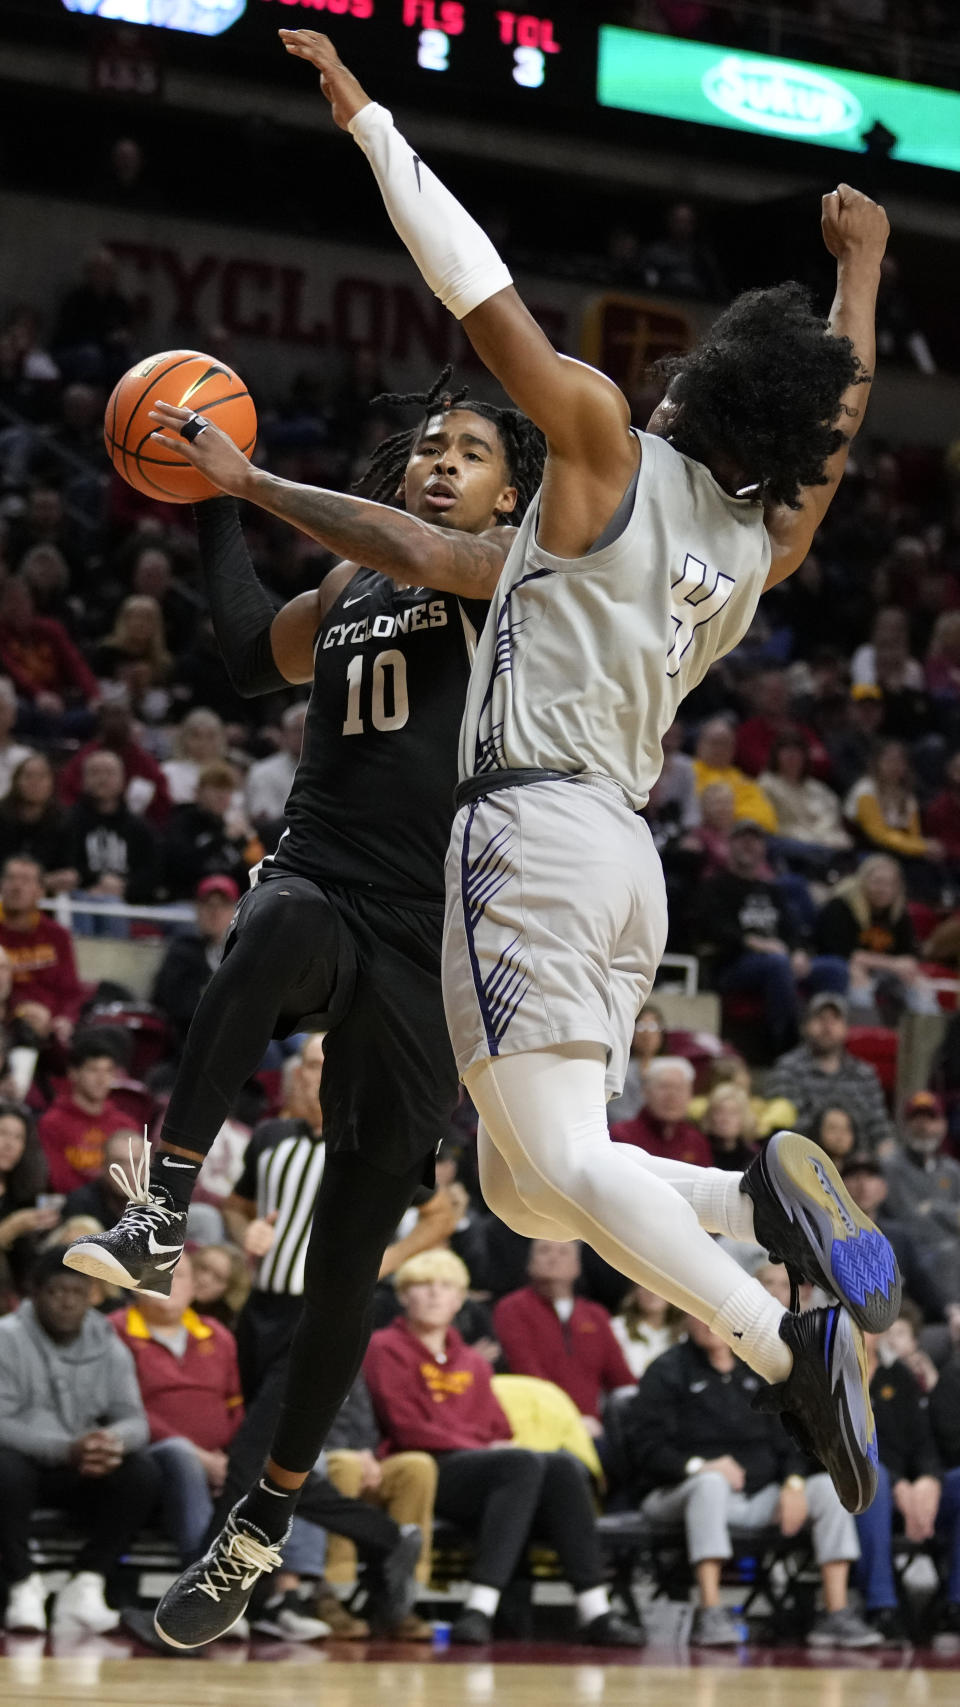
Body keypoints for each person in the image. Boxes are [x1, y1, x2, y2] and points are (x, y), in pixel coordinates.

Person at [273, 29, 899, 1539]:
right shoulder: (763, 546)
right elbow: (842, 420)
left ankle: (779, 1331)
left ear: (695, 390)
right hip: (620, 854)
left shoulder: (606, 448)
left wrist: (374, 128)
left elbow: (474, 290)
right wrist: (863, 279)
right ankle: (760, 1201)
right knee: (531, 1188)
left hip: (525, 826)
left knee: (547, 1161)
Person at [65, 361, 547, 1648]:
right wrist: (205, 501)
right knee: (268, 914)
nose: (443, 462)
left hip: (430, 941)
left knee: (347, 1259)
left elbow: (409, 540)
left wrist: (248, 475)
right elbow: (243, 656)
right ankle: (165, 1202)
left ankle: (265, 1519)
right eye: (429, 446)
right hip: (327, 883)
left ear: (511, 491)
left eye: (471, 450)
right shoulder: (347, 582)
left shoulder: (513, 569)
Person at [364, 1249, 641, 1646]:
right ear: (404, 1296)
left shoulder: (472, 1361)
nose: (434, 1295)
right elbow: (407, 1428)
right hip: (423, 1469)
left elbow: (499, 1426)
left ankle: (595, 1609)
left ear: (460, 1299)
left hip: (479, 1471)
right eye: (422, 1286)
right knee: (519, 1462)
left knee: (561, 1465)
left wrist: (486, 1445)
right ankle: (480, 1606)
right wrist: (479, 1444)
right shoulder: (383, 1347)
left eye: (445, 1287)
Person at [623, 1312, 878, 1648]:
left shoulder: (758, 1369)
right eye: (698, 1315)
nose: (708, 1323)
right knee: (710, 1485)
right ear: (686, 1320)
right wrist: (701, 1467)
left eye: (713, 1315)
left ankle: (835, 1612)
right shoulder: (667, 1370)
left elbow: (794, 1437)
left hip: (758, 1495)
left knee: (828, 1493)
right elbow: (645, 1448)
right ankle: (709, 1611)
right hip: (675, 1493)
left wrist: (794, 1484)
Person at [0, 1249, 160, 1636]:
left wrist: (109, 1441)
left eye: (78, 1291)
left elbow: (135, 1420)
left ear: (91, 1294)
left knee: (142, 1472)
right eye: (57, 1291)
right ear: (34, 1293)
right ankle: (22, 1585)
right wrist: (64, 1449)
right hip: (27, 1466)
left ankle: (88, 1582)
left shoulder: (108, 1341)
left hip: (83, 1465)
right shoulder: (7, 1337)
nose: (68, 1301)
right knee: (4, 1467)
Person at [109, 1249, 246, 1564]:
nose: (168, 1283)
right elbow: (124, 1410)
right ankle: (201, 1572)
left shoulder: (219, 1335)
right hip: (151, 1455)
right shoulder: (114, 1330)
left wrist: (231, 1458)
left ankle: (289, 1590)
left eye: (179, 1275)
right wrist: (199, 1457)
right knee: (181, 1454)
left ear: (194, 1287)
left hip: (220, 1459)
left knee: (290, 1462)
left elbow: (236, 1407)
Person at [855, 1327, 960, 1643]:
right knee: (873, 1476)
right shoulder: (824, 1380)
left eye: (863, 1323)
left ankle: (956, 1605)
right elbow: (845, 1447)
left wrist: (929, 1480)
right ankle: (881, 1605)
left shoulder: (898, 1376)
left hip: (912, 1495)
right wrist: (900, 1484)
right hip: (861, 1493)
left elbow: (924, 1442)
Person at [493, 1240, 634, 1438]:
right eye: (544, 1250)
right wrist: (571, 1419)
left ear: (577, 1265)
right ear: (530, 1263)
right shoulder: (512, 1308)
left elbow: (621, 1379)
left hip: (593, 1428)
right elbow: (527, 1372)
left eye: (563, 1252)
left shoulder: (596, 1315)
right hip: (537, 1423)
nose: (553, 1257)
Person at [765, 992, 897, 1154]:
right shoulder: (788, 1069)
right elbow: (783, 1129)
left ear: (846, 1028)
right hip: (804, 1161)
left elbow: (879, 1127)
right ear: (805, 1026)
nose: (827, 1026)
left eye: (835, 1019)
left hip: (859, 1167)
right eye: (820, 1018)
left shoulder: (864, 1074)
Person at [814, 855, 936, 1021]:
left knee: (920, 985)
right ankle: (866, 1040)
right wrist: (893, 964)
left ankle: (926, 1043)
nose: (883, 889)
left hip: (883, 973)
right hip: (840, 970)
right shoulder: (840, 907)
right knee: (858, 981)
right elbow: (845, 955)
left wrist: (904, 967)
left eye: (890, 884)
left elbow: (908, 956)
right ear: (863, 881)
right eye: (877, 882)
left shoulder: (898, 914)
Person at [0, 855, 86, 1047]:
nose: (17, 887)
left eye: (25, 881)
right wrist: (19, 1011)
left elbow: (71, 991)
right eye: (11, 878)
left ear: (40, 891)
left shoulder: (57, 936)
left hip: (48, 1029)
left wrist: (64, 1019)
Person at [37, 1028, 131, 1195]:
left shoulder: (125, 1124)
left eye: (108, 1071)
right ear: (73, 1073)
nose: (101, 1079)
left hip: (119, 1208)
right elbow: (58, 1180)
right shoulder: (52, 1123)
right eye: (93, 1070)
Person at [150, 874, 240, 1046]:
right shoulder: (182, 953)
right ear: (198, 910)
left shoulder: (245, 951)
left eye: (223, 905)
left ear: (235, 911)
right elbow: (172, 1003)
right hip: (194, 1039)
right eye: (209, 905)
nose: (215, 913)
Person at [610, 1057, 712, 1167]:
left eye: (679, 1088)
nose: (672, 1096)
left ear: (690, 1095)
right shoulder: (622, 1136)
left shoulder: (696, 1141)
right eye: (664, 1087)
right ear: (645, 1092)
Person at [0, 753, 78, 894]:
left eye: (41, 777)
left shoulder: (64, 821)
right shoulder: (2, 816)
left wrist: (38, 882)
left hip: (48, 895)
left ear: (52, 783)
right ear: (16, 781)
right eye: (28, 776)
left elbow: (68, 870)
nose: (34, 782)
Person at [691, 717, 777, 830]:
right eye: (715, 743)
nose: (720, 749)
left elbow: (766, 815)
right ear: (699, 745)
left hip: (752, 835)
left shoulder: (742, 779)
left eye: (725, 744)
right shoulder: (689, 772)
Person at [245, 702, 308, 829]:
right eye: (298, 730)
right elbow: (265, 821)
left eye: (310, 728)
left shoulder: (332, 769)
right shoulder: (263, 772)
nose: (305, 735)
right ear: (284, 733)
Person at [609, 1284, 686, 1382]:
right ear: (635, 1291)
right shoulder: (617, 1327)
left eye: (660, 1287)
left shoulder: (683, 1336)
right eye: (644, 1286)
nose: (652, 1293)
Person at [605, 1002, 665, 1124]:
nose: (647, 1033)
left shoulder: (674, 1068)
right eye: (641, 1026)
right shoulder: (618, 1068)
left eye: (653, 1026)